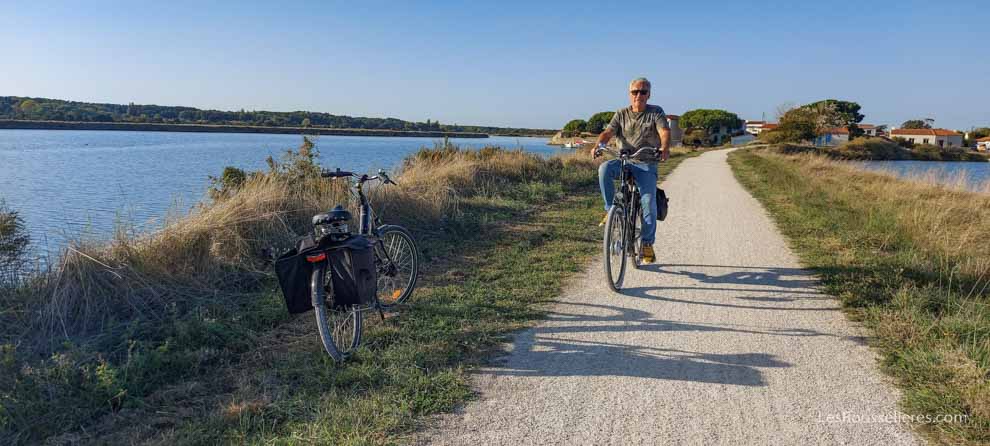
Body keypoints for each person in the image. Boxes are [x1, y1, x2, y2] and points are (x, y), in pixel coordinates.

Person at [593, 77, 670, 263]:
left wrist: (665, 147)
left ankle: (647, 243)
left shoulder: (656, 112)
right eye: (635, 92)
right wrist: (600, 144)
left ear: (649, 94)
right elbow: (608, 132)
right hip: (624, 161)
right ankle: (611, 210)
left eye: (643, 92)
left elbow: (664, 132)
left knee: (648, 203)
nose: (639, 95)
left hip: (646, 164)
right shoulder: (621, 114)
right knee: (604, 169)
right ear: (630, 94)